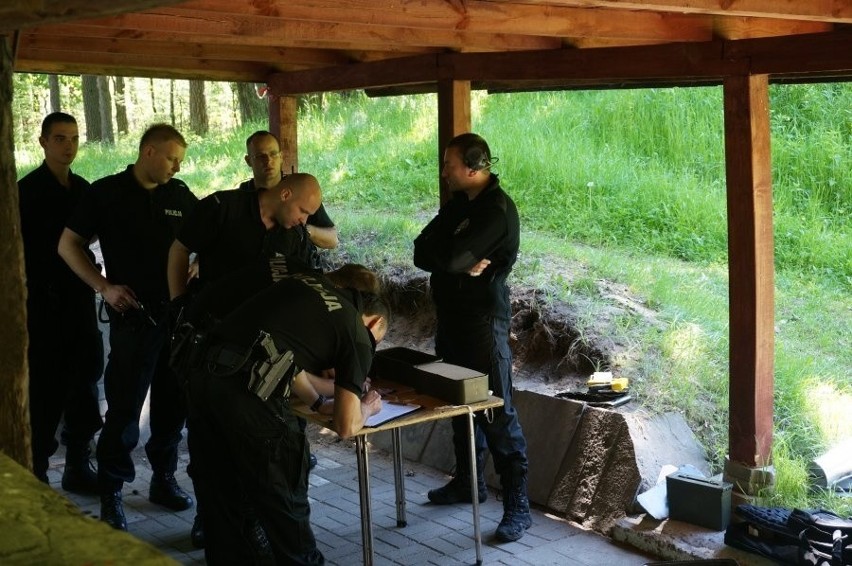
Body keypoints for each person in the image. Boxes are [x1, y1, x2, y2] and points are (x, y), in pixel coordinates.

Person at [186, 268, 390, 565]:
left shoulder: (304, 285)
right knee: (286, 512)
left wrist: (319, 402)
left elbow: (281, 357)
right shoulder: (356, 331)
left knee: (223, 505)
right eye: (376, 342)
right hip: (248, 401)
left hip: (202, 379)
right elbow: (346, 427)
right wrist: (368, 406)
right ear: (375, 321)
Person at [58, 123, 198, 531]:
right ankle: (112, 493)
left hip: (175, 320)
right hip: (133, 319)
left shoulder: (179, 195)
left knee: (173, 407)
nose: (177, 167)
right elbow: (67, 245)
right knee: (123, 410)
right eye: (172, 159)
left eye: (180, 161)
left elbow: (210, 240)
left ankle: (164, 479)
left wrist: (195, 267)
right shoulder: (106, 193)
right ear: (149, 152)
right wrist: (103, 287)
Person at [413, 132, 532, 542]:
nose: (444, 171)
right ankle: (468, 481)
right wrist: (453, 260)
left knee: (496, 408)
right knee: (457, 401)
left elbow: (447, 256)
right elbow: (421, 250)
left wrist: (451, 258)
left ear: (474, 165)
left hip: (482, 323)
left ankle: (519, 505)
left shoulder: (496, 211)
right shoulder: (461, 204)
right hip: (452, 319)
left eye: (449, 164)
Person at [17, 112, 104, 493]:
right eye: (59, 138)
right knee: (45, 389)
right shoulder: (24, 192)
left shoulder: (84, 190)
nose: (68, 145)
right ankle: (35, 470)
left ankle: (78, 464)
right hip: (41, 304)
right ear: (43, 142)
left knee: (85, 381)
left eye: (73, 138)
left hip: (79, 300)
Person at [239, 130, 338, 268]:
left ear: (281, 157)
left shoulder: (300, 192)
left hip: (299, 267)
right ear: (248, 161)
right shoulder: (242, 195)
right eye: (261, 156)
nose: (268, 161)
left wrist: (303, 230)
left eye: (273, 154)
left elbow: (332, 239)